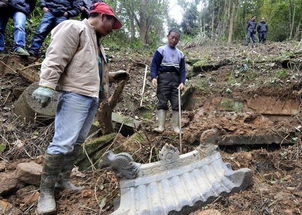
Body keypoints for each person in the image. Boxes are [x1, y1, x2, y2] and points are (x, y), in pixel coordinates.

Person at [31, 2, 122, 214]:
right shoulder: (75, 28)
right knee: (63, 143)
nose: (111, 29)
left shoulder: (96, 42)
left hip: (90, 97)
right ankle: (45, 193)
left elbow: (88, 70)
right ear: (101, 16)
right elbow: (56, 56)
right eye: (111, 23)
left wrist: (112, 77)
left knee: (78, 142)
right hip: (75, 95)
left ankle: (63, 180)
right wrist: (46, 85)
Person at [150, 29, 186, 134]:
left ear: (179, 40)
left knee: (177, 103)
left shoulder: (180, 54)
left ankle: (176, 127)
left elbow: (183, 70)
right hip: (163, 79)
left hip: (176, 80)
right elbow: (154, 65)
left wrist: (182, 82)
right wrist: (153, 77)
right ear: (168, 36)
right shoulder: (161, 50)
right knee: (162, 101)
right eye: (172, 37)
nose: (174, 40)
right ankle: (161, 126)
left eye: (176, 38)